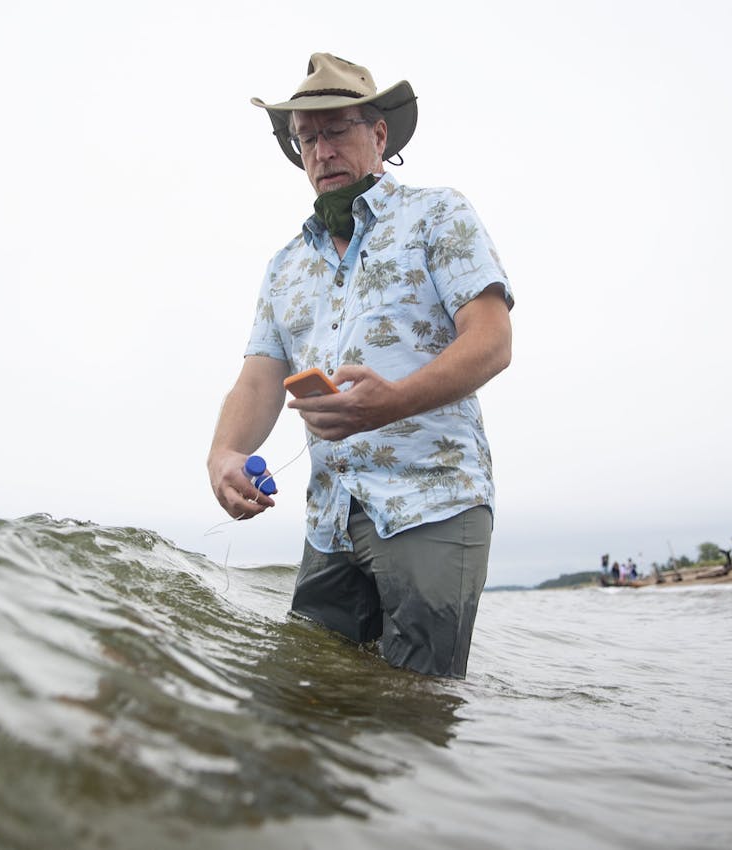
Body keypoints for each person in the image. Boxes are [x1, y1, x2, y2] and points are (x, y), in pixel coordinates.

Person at [206, 54, 514, 679]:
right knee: (308, 705)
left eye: (337, 129)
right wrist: (224, 455)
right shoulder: (285, 264)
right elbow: (258, 378)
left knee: (415, 714)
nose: (321, 150)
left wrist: (393, 401)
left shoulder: (438, 215)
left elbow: (492, 340)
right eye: (307, 137)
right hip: (330, 522)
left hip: (433, 501)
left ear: (378, 135)